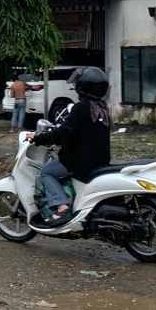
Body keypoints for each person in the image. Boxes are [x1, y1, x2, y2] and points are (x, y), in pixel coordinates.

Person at [26, 67, 111, 225]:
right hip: (100, 160)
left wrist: (38, 138)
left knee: (47, 172)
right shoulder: (102, 108)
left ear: (83, 87)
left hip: (80, 162)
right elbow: (79, 133)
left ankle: (62, 207)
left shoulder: (80, 108)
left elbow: (62, 133)